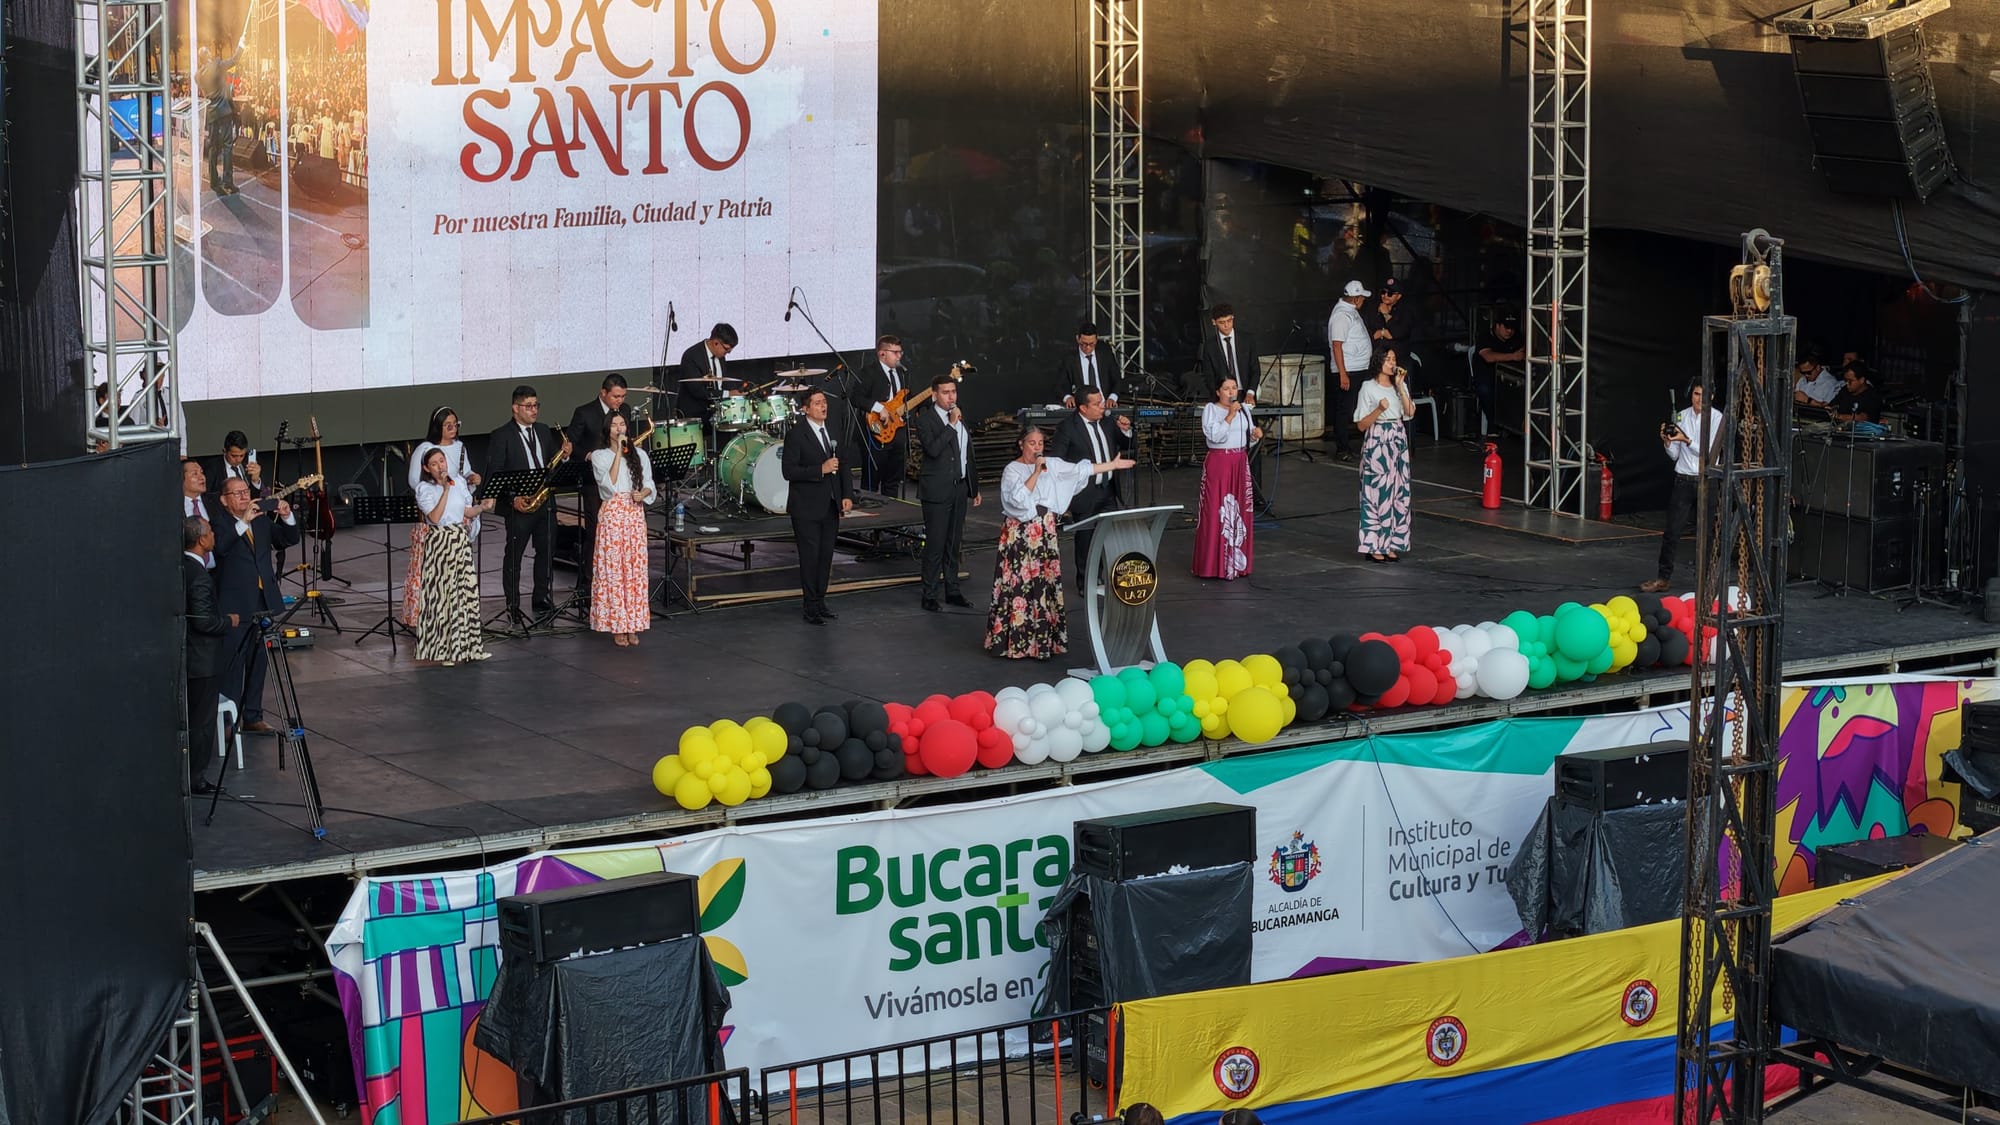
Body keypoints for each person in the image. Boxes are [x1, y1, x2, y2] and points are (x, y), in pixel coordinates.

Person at [985, 426, 1135, 660]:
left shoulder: (1053, 465)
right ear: (1021, 444)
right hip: (1021, 533)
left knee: (1044, 582)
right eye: (1032, 443)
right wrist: (1035, 472)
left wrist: (1112, 466)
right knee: (1019, 583)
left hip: (1044, 530)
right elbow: (1017, 499)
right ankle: (1016, 641)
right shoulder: (1012, 470)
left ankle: (1043, 642)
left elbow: (1081, 470)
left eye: (1040, 443)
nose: (1037, 448)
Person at [211, 477, 301, 734]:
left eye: (245, 492)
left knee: (258, 658)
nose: (243, 496)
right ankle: (228, 719)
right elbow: (220, 549)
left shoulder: (261, 520)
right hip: (235, 603)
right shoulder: (220, 523)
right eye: (236, 493)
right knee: (233, 661)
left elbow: (286, 539)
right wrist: (243, 522)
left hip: (263, 600)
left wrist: (287, 517)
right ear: (224, 499)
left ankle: (253, 715)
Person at [485, 385, 571, 623]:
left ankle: (542, 598)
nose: (534, 410)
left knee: (546, 551)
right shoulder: (501, 435)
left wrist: (564, 456)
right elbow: (495, 472)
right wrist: (512, 499)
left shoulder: (543, 431)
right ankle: (512, 605)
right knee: (514, 555)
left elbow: (552, 465)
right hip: (520, 504)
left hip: (544, 502)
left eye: (536, 405)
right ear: (515, 408)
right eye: (529, 406)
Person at [1639, 384, 1724, 593]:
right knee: (1672, 531)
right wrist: (1668, 442)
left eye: (1704, 394)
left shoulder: (1717, 418)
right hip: (1684, 479)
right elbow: (1675, 455)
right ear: (1691, 395)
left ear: (1712, 396)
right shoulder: (1681, 416)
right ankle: (1663, 577)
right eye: (1696, 394)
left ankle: (1707, 579)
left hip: (1707, 479)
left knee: (1708, 533)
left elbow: (1708, 452)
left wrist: (1685, 439)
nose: (1699, 399)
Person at [413, 448, 495, 665]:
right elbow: (435, 517)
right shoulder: (424, 489)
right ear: (426, 469)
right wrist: (445, 491)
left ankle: (470, 648)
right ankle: (446, 650)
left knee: (466, 593)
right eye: (434, 464)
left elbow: (466, 512)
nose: (440, 466)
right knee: (444, 596)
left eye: (442, 461)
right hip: (441, 542)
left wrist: (481, 507)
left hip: (459, 539)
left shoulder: (458, 481)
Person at [1048, 389, 1134, 591]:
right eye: (1096, 404)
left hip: (1108, 489)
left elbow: (1129, 445)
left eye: (1102, 401)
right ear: (1083, 408)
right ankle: (1086, 582)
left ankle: (1107, 577)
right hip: (1085, 491)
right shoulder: (1067, 428)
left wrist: (1125, 430)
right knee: (1086, 538)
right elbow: (1057, 462)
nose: (1102, 406)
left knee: (1110, 536)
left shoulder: (1107, 421)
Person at [780, 390, 854, 625]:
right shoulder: (796, 435)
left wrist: (846, 494)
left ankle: (821, 601)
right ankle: (809, 605)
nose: (824, 406)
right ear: (806, 409)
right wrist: (818, 470)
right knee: (810, 557)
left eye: (825, 402)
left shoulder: (832, 431)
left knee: (825, 556)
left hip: (830, 505)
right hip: (807, 506)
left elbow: (843, 466)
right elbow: (789, 471)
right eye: (818, 403)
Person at [403, 407, 480, 628]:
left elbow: (464, 475)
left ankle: (461, 622)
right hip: (437, 516)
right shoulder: (426, 449)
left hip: (457, 511)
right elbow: (415, 481)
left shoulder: (460, 447)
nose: (452, 428)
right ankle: (430, 620)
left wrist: (470, 480)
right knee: (437, 579)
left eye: (455, 424)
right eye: (447, 424)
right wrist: (439, 489)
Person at [587, 413, 658, 646]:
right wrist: (618, 452)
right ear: (608, 430)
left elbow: (649, 483)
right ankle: (617, 625)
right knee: (615, 571)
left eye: (622, 424)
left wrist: (643, 493)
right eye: (615, 425)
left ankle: (633, 624)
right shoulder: (599, 456)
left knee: (634, 570)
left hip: (634, 514)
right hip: (613, 515)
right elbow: (607, 486)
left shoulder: (641, 455)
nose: (619, 428)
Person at [915, 374, 982, 611]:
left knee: (954, 543)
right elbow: (933, 450)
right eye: (945, 392)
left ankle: (952, 590)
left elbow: (967, 454)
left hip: (959, 486)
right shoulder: (926, 420)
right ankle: (929, 594)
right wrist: (951, 424)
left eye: (953, 391)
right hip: (937, 489)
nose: (951, 397)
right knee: (935, 543)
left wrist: (974, 487)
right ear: (935, 395)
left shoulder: (960, 417)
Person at [566, 374, 633, 600]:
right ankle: (589, 582)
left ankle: (617, 579)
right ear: (603, 392)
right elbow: (569, 445)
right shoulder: (584, 412)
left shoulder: (626, 411)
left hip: (621, 483)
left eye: (623, 396)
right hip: (594, 481)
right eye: (616, 396)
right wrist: (587, 455)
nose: (619, 401)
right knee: (596, 530)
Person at [182, 516, 234, 794]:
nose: (214, 534)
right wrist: (229, 621)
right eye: (211, 531)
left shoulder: (184, 569)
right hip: (202, 662)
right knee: (201, 724)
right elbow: (203, 622)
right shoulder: (200, 577)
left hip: (192, 661)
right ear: (202, 540)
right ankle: (195, 779)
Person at [1192, 377, 1260, 581]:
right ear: (1218, 392)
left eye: (1234, 388)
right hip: (1219, 462)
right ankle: (1213, 565)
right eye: (1226, 389)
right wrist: (1230, 416)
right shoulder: (1211, 410)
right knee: (1216, 512)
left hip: (1239, 461)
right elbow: (1215, 436)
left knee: (1240, 511)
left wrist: (1254, 436)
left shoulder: (1245, 411)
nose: (1231, 392)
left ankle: (1237, 564)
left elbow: (1245, 439)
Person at [1354, 346, 1417, 563]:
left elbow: (1410, 412)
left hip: (1397, 437)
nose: (1392, 363)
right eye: (1388, 359)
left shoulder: (1399, 386)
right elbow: (1361, 425)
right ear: (1379, 362)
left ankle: (1392, 542)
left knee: (1398, 492)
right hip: (1378, 438)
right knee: (1376, 494)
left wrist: (1400, 388)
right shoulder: (1368, 388)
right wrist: (1379, 410)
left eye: (1394, 359)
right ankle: (1373, 545)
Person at [1326, 281, 1374, 461]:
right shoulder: (1341, 316)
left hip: (1357, 368)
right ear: (1355, 298)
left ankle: (1348, 446)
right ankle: (1342, 448)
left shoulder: (1350, 312)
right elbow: (1337, 345)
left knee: (1354, 406)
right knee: (1344, 409)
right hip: (1349, 370)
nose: (1363, 300)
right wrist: (1343, 373)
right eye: (1361, 297)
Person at [861, 335, 914, 496]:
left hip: (896, 430)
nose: (899, 356)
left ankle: (892, 510)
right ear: (882, 354)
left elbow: (905, 399)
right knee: (871, 481)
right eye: (895, 352)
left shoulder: (902, 374)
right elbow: (856, 397)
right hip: (876, 430)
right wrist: (878, 408)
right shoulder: (869, 372)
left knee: (892, 478)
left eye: (900, 352)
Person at [198, 41, 243, 196]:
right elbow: (234, 60)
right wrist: (241, 46)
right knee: (227, 147)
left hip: (211, 114)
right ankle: (228, 182)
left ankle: (214, 181)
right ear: (208, 56)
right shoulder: (217, 65)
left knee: (213, 148)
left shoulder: (198, 76)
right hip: (224, 112)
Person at [1472, 311, 1525, 436]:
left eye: (1512, 328)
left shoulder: (1517, 337)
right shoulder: (1485, 336)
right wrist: (1512, 356)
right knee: (1486, 390)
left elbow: (1526, 350)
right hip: (1487, 377)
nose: (1509, 331)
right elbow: (1488, 357)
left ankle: (1515, 427)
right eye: (1506, 327)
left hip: (1509, 378)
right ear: (1497, 326)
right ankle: (1493, 425)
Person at [678, 324, 744, 421]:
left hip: (716, 413)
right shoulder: (691, 356)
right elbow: (697, 390)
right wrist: (727, 394)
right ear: (716, 343)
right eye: (726, 349)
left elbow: (722, 382)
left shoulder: (720, 357)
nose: (728, 353)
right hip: (695, 417)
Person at [1197, 304, 1260, 405]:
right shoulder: (1209, 346)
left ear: (1233, 318)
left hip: (1245, 394)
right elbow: (1208, 375)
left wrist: (1251, 393)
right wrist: (1219, 395)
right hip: (1221, 397)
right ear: (1214, 322)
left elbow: (1255, 370)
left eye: (1229, 321)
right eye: (1222, 322)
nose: (1226, 325)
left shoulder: (1247, 340)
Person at [1057, 321, 1120, 407]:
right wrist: (1067, 397)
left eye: (1092, 344)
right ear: (1078, 339)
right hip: (1082, 407)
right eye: (1084, 344)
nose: (1088, 347)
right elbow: (1058, 386)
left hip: (1104, 405)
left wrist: (1112, 398)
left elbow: (1117, 380)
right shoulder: (1069, 358)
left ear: (1096, 339)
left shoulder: (1106, 354)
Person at [207, 430, 266, 499]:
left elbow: (255, 498)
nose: (238, 460)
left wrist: (255, 481)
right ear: (224, 451)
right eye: (234, 456)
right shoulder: (212, 468)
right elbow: (207, 497)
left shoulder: (249, 465)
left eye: (242, 455)